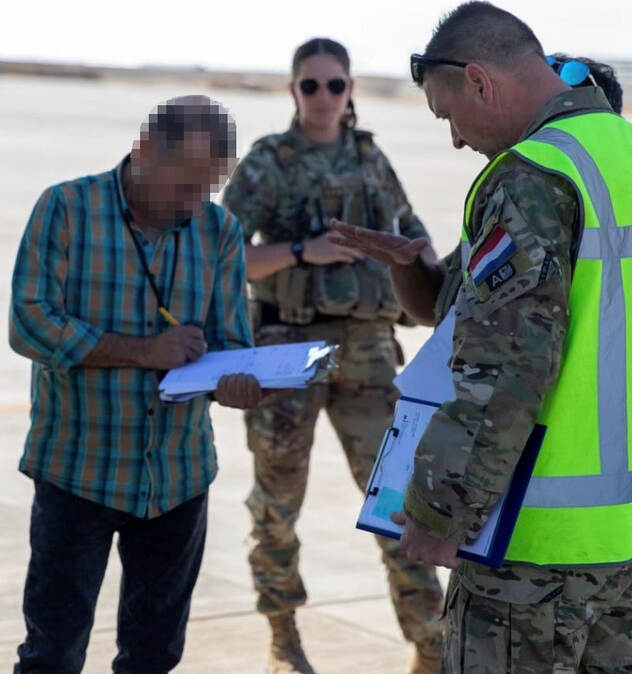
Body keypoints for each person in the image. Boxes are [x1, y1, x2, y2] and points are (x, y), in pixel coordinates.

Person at [330, 1, 632, 673]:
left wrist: (440, 510)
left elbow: (508, 367)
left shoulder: (534, 177)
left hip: (537, 548)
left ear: (480, 82)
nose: (457, 139)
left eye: (448, 115)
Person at [9, 95, 264, 674]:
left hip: (178, 478)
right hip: (77, 473)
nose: (195, 201)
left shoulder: (220, 230)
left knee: (153, 657)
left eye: (209, 187)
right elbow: (29, 322)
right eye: (186, 182)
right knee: (52, 654)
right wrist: (142, 352)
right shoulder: (67, 208)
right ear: (145, 150)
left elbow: (229, 343)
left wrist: (243, 382)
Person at [221, 38, 444, 674]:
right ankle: (283, 637)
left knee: (398, 502)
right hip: (288, 348)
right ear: (292, 91)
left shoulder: (372, 160)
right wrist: (299, 253)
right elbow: (219, 255)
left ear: (350, 90)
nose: (323, 97)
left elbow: (412, 240)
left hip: (370, 351)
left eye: (335, 85)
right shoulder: (269, 163)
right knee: (277, 502)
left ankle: (431, 642)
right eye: (310, 85)